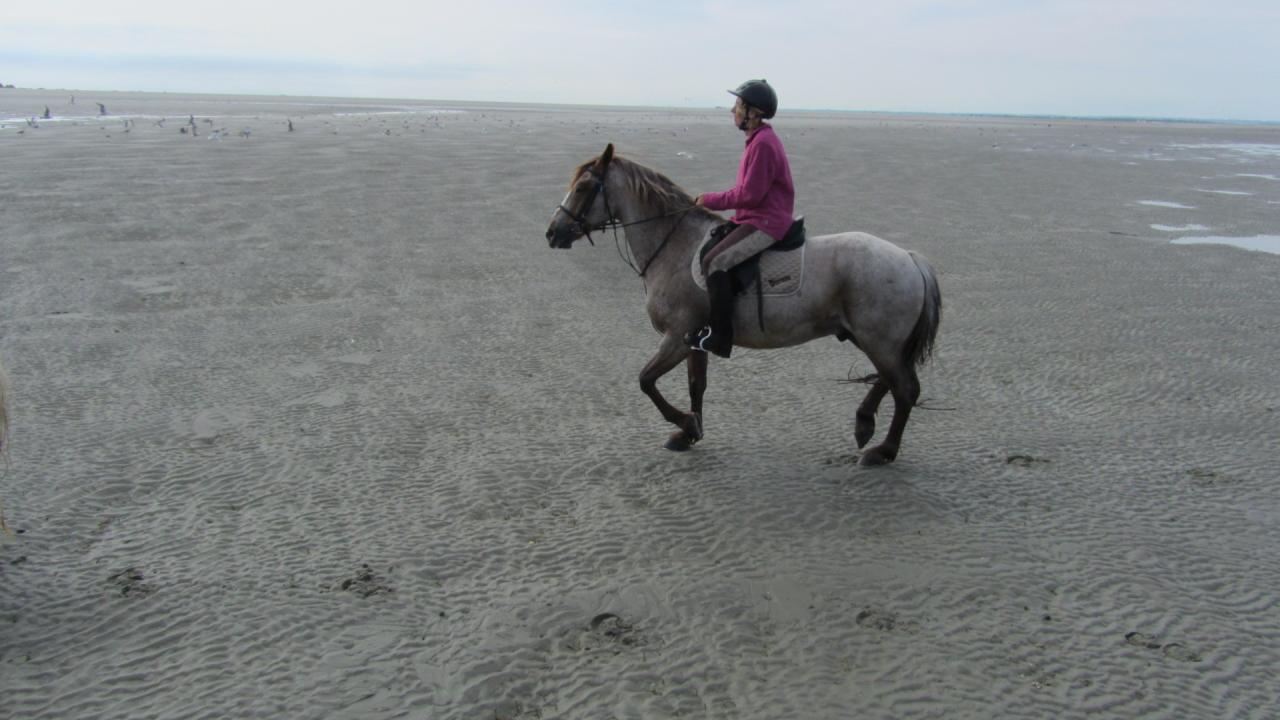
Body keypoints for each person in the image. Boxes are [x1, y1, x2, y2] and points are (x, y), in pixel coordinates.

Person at [685, 79, 795, 358]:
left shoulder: (763, 145)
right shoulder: (757, 140)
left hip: (766, 221)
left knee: (716, 261)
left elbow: (750, 195)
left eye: (738, 105)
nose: (732, 110)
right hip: (753, 217)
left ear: (754, 113)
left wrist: (708, 200)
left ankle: (720, 337)